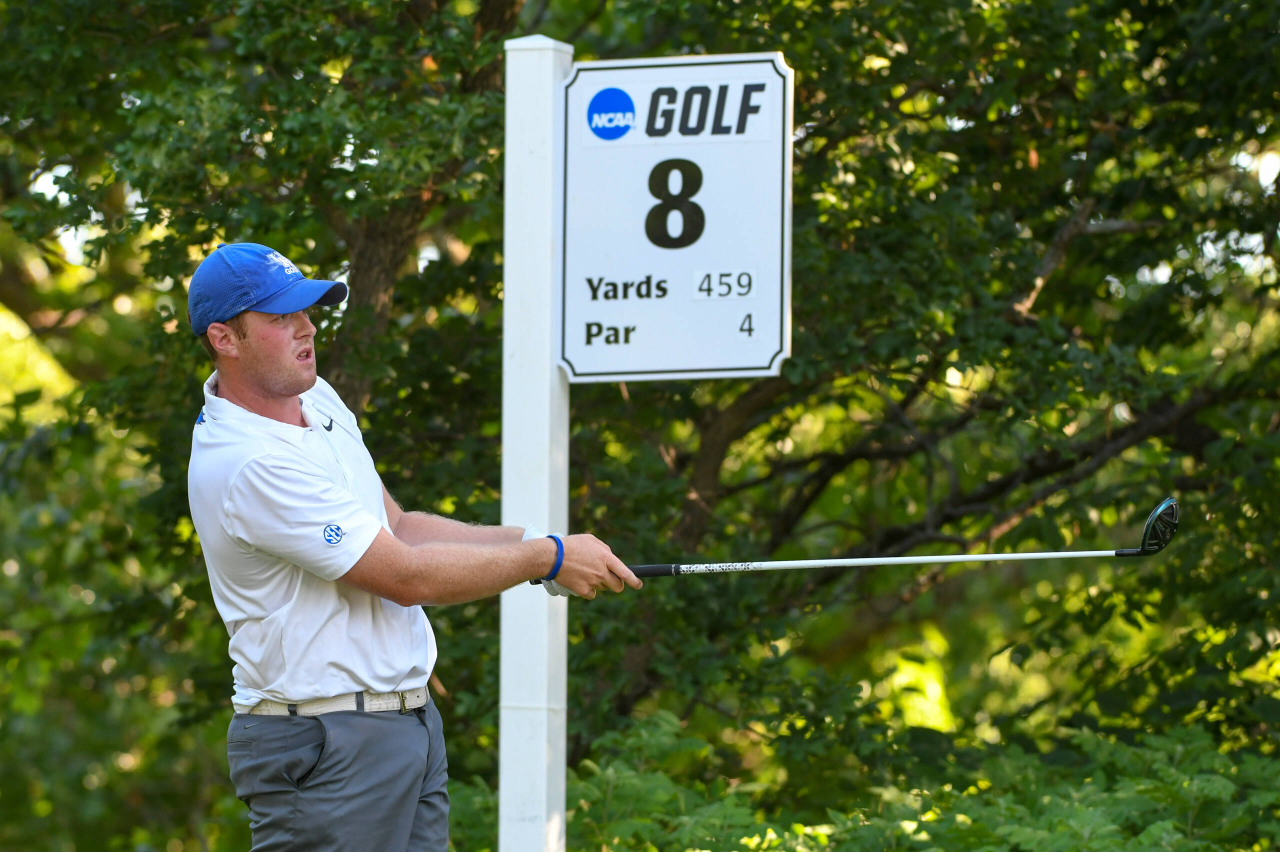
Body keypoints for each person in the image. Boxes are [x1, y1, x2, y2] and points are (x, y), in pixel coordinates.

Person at [184, 242, 641, 851]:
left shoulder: (316, 401)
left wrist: (538, 543)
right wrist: (548, 559)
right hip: (325, 744)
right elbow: (405, 577)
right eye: (280, 318)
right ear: (225, 338)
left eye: (307, 311)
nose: (307, 328)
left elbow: (395, 526)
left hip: (408, 724)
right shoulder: (246, 463)